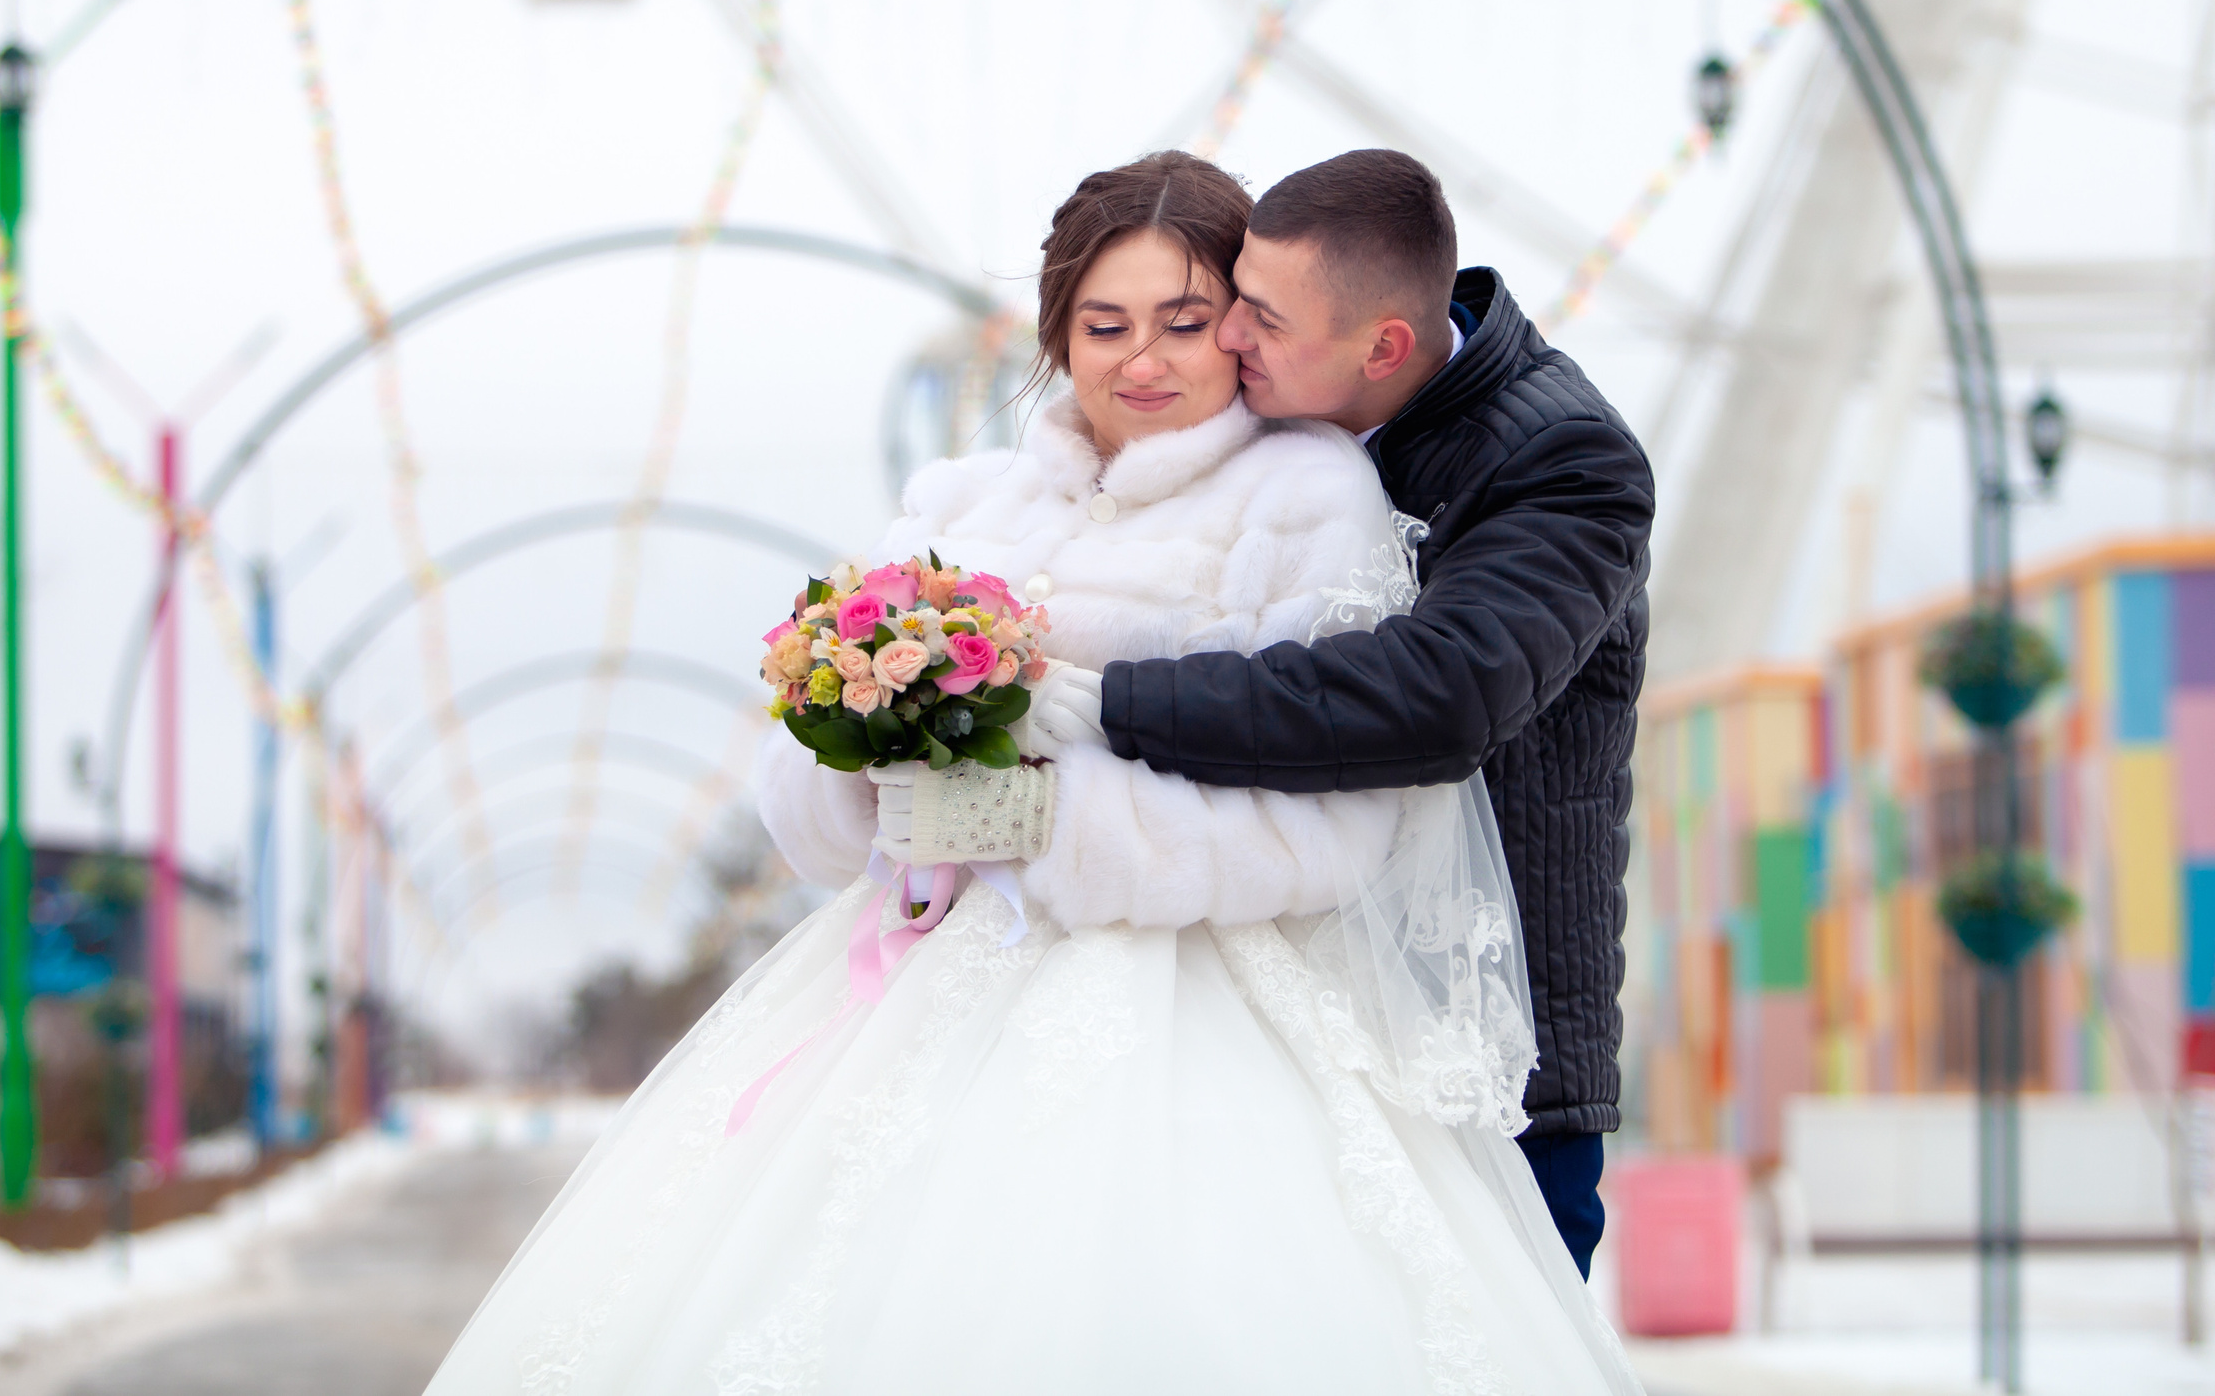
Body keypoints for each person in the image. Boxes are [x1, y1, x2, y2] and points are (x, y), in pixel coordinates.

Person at [423, 152, 1638, 1396]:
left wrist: (1053, 792)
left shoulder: (1358, 485)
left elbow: (1399, 734)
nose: (1153, 358)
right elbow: (815, 784)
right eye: (1105, 324)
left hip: (1335, 1017)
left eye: (1200, 320)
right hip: (937, 1005)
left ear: (1363, 345)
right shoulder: (965, 504)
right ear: (1056, 332)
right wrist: (871, 762)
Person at [1051, 148, 1656, 1276]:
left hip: (1482, 1049)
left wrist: (1107, 703)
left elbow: (1440, 694)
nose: (1229, 341)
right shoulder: (1292, 428)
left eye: (1259, 320)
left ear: (1381, 346)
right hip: (1291, 1038)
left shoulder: (1562, 462)